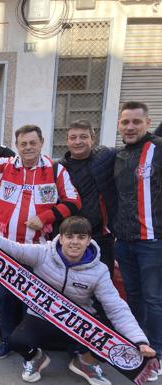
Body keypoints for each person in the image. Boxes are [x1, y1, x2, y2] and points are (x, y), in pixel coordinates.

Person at [0, 216, 156, 384]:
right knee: (17, 340)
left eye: (81, 237)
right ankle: (36, 358)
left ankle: (84, 362)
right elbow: (10, 247)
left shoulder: (99, 270)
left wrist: (139, 341)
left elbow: (117, 308)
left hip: (78, 322)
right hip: (42, 317)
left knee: (113, 336)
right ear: (60, 238)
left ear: (88, 241)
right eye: (69, 236)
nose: (74, 242)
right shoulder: (43, 253)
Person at [0, 119, 81, 359]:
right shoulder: (6, 166)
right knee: (6, 298)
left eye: (32, 143)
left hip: (38, 249)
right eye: (23, 143)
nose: (28, 147)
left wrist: (46, 216)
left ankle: (30, 344)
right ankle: (8, 340)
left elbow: (73, 202)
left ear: (41, 143)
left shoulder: (56, 170)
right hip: (5, 247)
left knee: (33, 300)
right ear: (16, 146)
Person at [113, 101, 162, 381]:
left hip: (153, 242)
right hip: (125, 240)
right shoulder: (120, 155)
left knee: (154, 299)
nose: (130, 127)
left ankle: (157, 354)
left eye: (136, 122)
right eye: (125, 122)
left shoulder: (158, 148)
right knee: (133, 297)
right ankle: (138, 345)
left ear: (147, 122)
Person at [58, 120, 117, 277]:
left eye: (83, 136)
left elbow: (139, 146)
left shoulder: (106, 156)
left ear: (93, 138)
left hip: (101, 237)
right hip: (71, 239)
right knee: (71, 289)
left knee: (103, 287)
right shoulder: (58, 169)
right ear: (67, 140)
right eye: (73, 137)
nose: (78, 141)